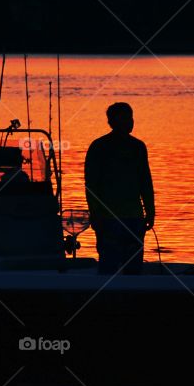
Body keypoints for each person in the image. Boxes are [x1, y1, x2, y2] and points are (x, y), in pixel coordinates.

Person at [84, 102, 155, 275]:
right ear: (112, 121)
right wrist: (95, 214)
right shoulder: (99, 147)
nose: (131, 122)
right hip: (108, 218)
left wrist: (150, 211)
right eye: (126, 118)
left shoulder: (138, 147)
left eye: (131, 117)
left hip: (134, 217)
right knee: (109, 266)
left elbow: (145, 181)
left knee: (132, 267)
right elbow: (91, 184)